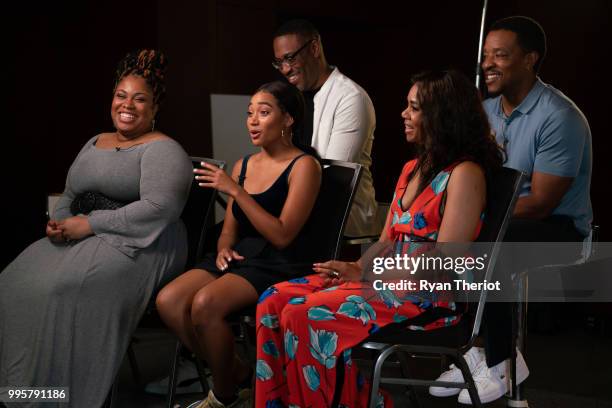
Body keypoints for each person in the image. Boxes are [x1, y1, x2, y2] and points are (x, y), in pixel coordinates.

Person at [254, 70, 504, 408]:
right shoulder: (412, 168)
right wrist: (356, 267)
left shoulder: (465, 174)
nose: (404, 114)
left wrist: (372, 274)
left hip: (428, 298)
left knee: (304, 314)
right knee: (272, 299)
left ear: (443, 116)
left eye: (414, 108)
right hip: (385, 282)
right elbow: (387, 239)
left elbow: (443, 263)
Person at [0, 49, 193, 407]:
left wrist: (90, 224)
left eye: (140, 99)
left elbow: (158, 209)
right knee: (13, 281)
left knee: (65, 290)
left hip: (142, 242)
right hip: (82, 233)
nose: (128, 105)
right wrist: (57, 223)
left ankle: (61, 395)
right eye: (121, 96)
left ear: (154, 108)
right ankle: (20, 390)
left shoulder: (164, 150)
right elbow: (71, 192)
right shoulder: (94, 142)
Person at [430, 16, 592, 405]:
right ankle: (473, 353)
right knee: (457, 242)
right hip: (501, 222)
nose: (488, 64)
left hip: (559, 229)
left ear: (530, 59)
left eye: (500, 56)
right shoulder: (483, 112)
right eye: (486, 56)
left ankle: (502, 360)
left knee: (492, 246)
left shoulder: (559, 116)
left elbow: (541, 203)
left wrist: (473, 215)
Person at [155, 80, 322, 408]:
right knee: (169, 300)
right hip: (244, 254)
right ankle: (241, 374)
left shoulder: (305, 167)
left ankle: (223, 396)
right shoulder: (243, 165)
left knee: (204, 305)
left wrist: (236, 191)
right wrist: (222, 249)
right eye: (250, 114)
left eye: (264, 112)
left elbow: (283, 234)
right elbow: (229, 229)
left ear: (288, 119)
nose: (253, 121)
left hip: (281, 261)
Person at [272, 19, 379, 237]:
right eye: (278, 62)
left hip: (342, 223)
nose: (284, 69)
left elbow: (333, 178)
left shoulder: (351, 98)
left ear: (314, 48)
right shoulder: (292, 99)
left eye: (290, 58)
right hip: (300, 213)